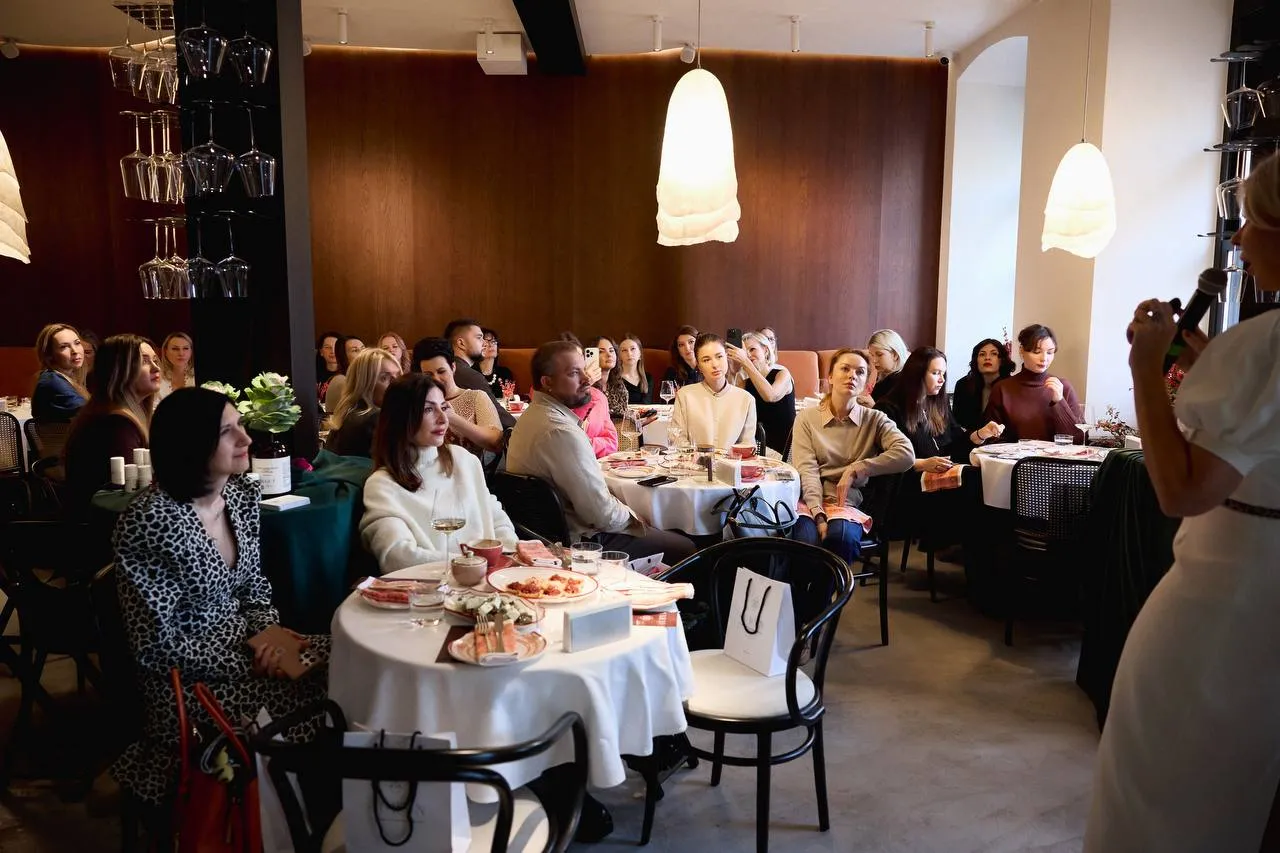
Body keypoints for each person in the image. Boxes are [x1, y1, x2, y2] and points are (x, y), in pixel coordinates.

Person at [1085, 153, 1280, 852]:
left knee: (1161, 784)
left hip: (1221, 605)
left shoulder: (1264, 345)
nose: (1239, 240)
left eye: (1252, 222)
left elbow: (1181, 490)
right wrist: (1205, 364)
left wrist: (1146, 369)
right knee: (1237, 790)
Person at [111, 387, 329, 807]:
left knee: (349, 660)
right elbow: (156, 647)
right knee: (329, 699)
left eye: (240, 425)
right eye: (228, 432)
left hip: (247, 648)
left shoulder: (241, 496)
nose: (246, 439)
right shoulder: (149, 520)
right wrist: (251, 661)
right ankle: (304, 816)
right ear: (192, 444)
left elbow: (252, 588)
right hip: (190, 685)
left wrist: (269, 640)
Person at [506, 341, 696, 563]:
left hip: (545, 533)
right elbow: (600, 514)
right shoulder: (560, 431)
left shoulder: (531, 417)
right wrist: (635, 518)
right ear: (547, 382)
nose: (587, 379)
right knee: (688, 548)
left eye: (584, 369)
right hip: (581, 542)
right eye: (574, 373)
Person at [360, 374, 518, 573]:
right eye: (428, 409)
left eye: (443, 407)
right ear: (401, 417)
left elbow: (496, 517)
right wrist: (471, 564)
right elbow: (396, 556)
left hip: (491, 579)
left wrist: (509, 555)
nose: (443, 419)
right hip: (431, 586)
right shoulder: (382, 484)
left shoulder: (463, 460)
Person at [790, 348, 914, 562]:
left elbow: (906, 454)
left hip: (847, 502)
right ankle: (814, 586)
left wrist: (858, 468)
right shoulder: (807, 418)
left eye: (860, 372)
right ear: (830, 376)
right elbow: (807, 469)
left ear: (866, 383)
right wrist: (818, 515)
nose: (852, 376)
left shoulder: (874, 419)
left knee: (841, 539)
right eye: (845, 369)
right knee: (805, 541)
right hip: (809, 498)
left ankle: (828, 585)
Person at [876, 347, 1003, 551]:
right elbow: (882, 459)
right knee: (972, 483)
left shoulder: (937, 404)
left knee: (983, 478)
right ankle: (962, 548)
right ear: (917, 374)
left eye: (943, 373)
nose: (942, 380)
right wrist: (922, 464)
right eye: (935, 373)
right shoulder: (888, 408)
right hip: (905, 485)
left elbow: (956, 441)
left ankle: (975, 550)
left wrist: (981, 434)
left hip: (937, 475)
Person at [64, 334, 160, 512]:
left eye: (155, 360)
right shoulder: (116, 424)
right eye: (145, 361)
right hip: (101, 522)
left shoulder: (117, 414)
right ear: (119, 370)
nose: (156, 368)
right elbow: (129, 493)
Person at [982, 324, 1081, 442]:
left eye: (1050, 352)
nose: (1044, 358)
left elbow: (1079, 440)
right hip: (1015, 454)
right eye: (1037, 352)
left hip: (1057, 454)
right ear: (1021, 350)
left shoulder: (1063, 387)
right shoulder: (1002, 389)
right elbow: (990, 439)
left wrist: (1059, 402)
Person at [416, 338, 505, 457]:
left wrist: (453, 417)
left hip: (471, 467)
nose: (436, 379)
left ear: (453, 367)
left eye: (441, 372)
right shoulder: (418, 402)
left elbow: (496, 442)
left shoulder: (475, 397)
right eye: (428, 375)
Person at [671, 334, 756, 449]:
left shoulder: (746, 399)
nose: (715, 365)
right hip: (693, 459)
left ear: (727, 357)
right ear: (699, 366)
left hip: (732, 460)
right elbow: (677, 439)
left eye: (719, 357)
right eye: (706, 360)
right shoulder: (685, 395)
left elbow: (747, 444)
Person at [436, 319, 515, 429]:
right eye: (479, 338)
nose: (484, 343)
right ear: (461, 343)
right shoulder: (468, 375)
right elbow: (497, 414)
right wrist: (521, 428)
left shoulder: (452, 368)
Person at [326, 347, 401, 457]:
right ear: (365, 384)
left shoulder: (348, 412)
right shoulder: (375, 418)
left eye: (398, 376)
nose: (396, 383)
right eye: (384, 378)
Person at [728, 330, 794, 454]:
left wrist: (745, 362)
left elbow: (771, 396)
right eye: (745, 352)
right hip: (755, 448)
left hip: (782, 451)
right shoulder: (745, 383)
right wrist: (732, 373)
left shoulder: (782, 374)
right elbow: (732, 411)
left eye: (752, 349)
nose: (748, 355)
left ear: (766, 350)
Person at [951, 338, 1017, 433]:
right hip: (970, 439)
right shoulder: (963, 385)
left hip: (1002, 440)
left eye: (994, 354)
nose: (987, 358)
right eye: (982, 354)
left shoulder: (1011, 386)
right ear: (976, 360)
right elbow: (957, 424)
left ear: (1001, 360)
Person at [32, 322, 88, 421]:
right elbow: (89, 412)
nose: (75, 351)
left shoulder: (61, 378)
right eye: (64, 347)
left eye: (77, 343)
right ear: (49, 355)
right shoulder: (52, 381)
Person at [866, 329, 910, 404]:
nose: (874, 360)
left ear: (895, 355)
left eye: (879, 355)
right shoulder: (883, 377)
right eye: (872, 355)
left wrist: (872, 407)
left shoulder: (904, 381)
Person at [323, 334, 365, 414]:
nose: (362, 353)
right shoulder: (341, 381)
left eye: (363, 348)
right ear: (343, 357)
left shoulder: (361, 378)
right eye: (355, 350)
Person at [593, 336, 629, 418]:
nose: (609, 355)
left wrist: (637, 422)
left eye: (611, 350)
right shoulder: (588, 386)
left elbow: (624, 416)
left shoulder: (618, 384)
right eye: (601, 352)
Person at [156, 332, 195, 403]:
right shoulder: (157, 377)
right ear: (165, 352)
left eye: (185, 348)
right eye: (175, 349)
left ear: (191, 351)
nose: (181, 353)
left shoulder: (199, 375)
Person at [477, 327, 514, 398]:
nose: (491, 345)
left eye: (493, 341)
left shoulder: (505, 373)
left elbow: (509, 399)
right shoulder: (471, 374)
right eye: (486, 342)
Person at [617, 334, 653, 404]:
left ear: (640, 354)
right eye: (624, 350)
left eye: (633, 349)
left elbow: (646, 405)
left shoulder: (648, 378)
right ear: (619, 356)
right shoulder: (614, 378)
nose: (629, 354)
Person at [315, 331, 341, 407]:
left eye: (336, 347)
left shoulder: (349, 375)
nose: (332, 351)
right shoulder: (313, 374)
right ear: (321, 352)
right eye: (327, 347)